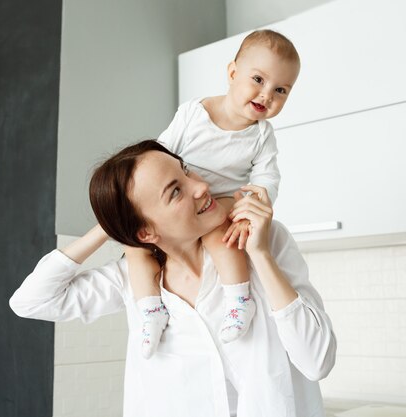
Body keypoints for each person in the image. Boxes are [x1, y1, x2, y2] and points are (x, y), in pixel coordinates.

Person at [9, 140, 336, 417]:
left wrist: (261, 256)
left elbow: (317, 361)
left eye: (185, 170)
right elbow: (31, 301)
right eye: (176, 191)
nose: (201, 186)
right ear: (145, 232)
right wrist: (107, 227)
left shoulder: (263, 241)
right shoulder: (131, 279)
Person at [127, 29, 301, 357]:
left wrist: (252, 207)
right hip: (181, 194)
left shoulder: (262, 135)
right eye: (259, 80)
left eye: (281, 90)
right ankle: (149, 310)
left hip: (220, 200)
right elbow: (161, 152)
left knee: (219, 233)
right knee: (135, 246)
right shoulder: (194, 112)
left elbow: (267, 177)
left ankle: (238, 300)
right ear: (233, 73)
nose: (267, 95)